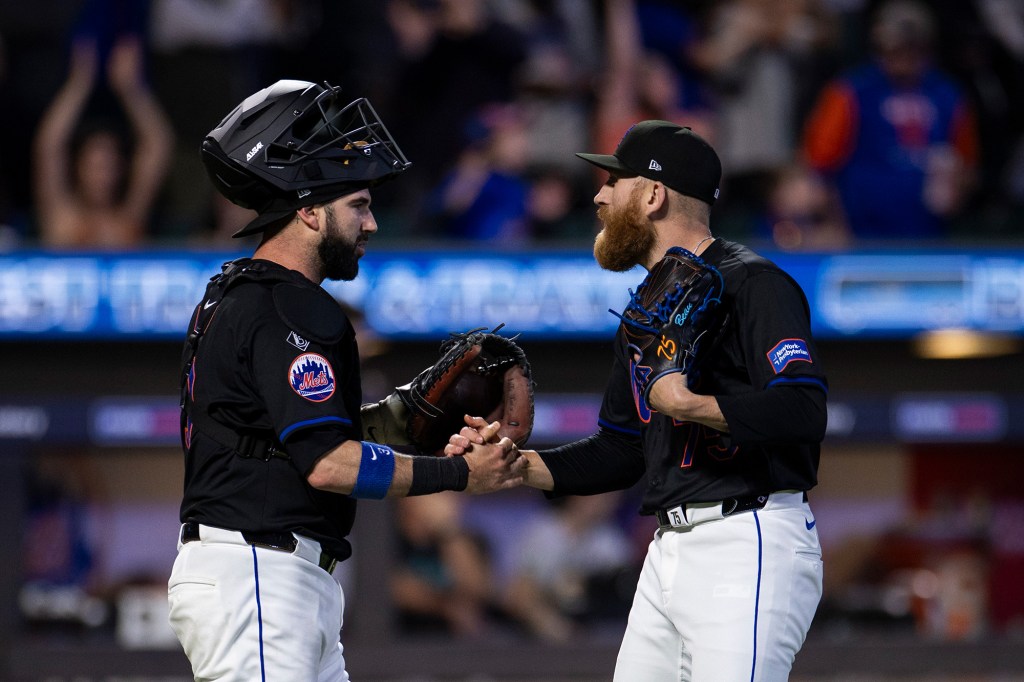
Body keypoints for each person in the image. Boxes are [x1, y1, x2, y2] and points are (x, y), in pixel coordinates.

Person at [166, 79, 524, 681]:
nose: (372, 222)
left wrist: (396, 419)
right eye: (358, 204)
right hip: (259, 574)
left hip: (268, 574)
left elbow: (277, 433)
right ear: (308, 209)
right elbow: (328, 465)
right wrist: (462, 473)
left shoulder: (240, 291)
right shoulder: (295, 306)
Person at [449, 120, 827, 680]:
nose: (599, 196)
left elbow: (804, 410)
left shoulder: (753, 283)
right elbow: (621, 448)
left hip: (748, 538)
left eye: (612, 182)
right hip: (669, 548)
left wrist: (690, 403)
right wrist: (517, 466)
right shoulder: (647, 308)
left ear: (652, 195)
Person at [801, 0, 979, 240]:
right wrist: (834, 225)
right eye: (893, 47)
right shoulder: (851, 91)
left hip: (930, 234)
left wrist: (956, 186)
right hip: (861, 234)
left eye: (911, 47)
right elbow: (819, 167)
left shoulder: (946, 94)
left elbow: (967, 164)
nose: (902, 56)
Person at [33, 36, 173, 248]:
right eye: (94, 166)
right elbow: (49, 147)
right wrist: (78, 84)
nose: (102, 175)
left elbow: (158, 145)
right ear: (78, 167)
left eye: (110, 166)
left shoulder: (129, 218)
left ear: (121, 170)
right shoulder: (61, 217)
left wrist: (131, 90)